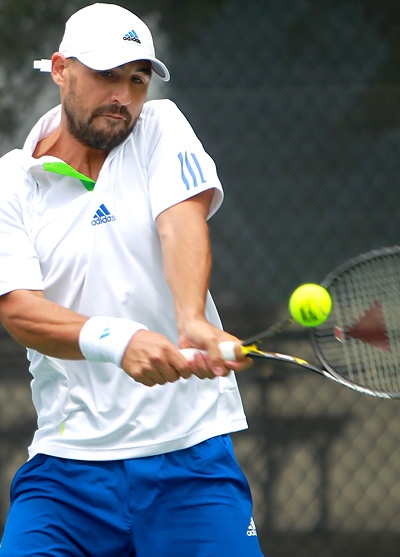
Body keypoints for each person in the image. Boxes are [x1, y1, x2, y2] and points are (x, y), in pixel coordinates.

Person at [0, 3, 264, 556]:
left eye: (137, 79)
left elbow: (181, 223)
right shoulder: (11, 184)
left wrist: (191, 319)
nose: (123, 95)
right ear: (61, 70)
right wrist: (119, 341)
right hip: (66, 472)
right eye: (106, 75)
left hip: (191, 461)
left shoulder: (160, 127)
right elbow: (19, 310)